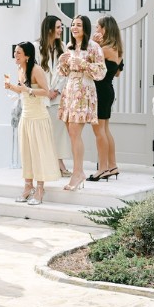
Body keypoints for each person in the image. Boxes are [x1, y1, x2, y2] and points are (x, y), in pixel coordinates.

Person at [5, 41, 60, 205]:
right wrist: (11, 87)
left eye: (18, 53)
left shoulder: (36, 69)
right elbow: (24, 92)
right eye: (15, 52)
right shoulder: (20, 69)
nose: (15, 55)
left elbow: (46, 92)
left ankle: (40, 189)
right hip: (26, 117)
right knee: (26, 153)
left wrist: (27, 90)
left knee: (38, 154)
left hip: (38, 118)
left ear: (27, 56)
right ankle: (27, 186)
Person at [56, 14, 105, 190]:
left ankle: (78, 173)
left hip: (84, 90)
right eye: (72, 25)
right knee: (71, 132)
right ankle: (78, 172)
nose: (74, 28)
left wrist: (83, 63)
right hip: (70, 89)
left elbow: (101, 72)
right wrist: (62, 62)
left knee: (75, 132)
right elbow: (63, 72)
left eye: (78, 25)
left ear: (85, 28)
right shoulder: (69, 46)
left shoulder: (94, 47)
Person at [88, 16, 124, 182]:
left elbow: (88, 61)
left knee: (99, 131)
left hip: (100, 91)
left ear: (105, 29)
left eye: (98, 27)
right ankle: (112, 165)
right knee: (105, 130)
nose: (96, 31)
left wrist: (93, 44)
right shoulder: (117, 49)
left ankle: (102, 168)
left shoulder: (105, 49)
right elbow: (117, 73)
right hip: (108, 89)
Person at [38, 15, 72, 176]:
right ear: (50, 29)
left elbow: (66, 72)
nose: (61, 30)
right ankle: (49, 164)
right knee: (43, 131)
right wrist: (46, 90)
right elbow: (35, 72)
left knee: (58, 131)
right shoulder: (37, 47)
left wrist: (56, 90)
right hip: (41, 97)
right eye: (58, 27)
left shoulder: (63, 47)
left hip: (57, 97)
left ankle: (59, 162)